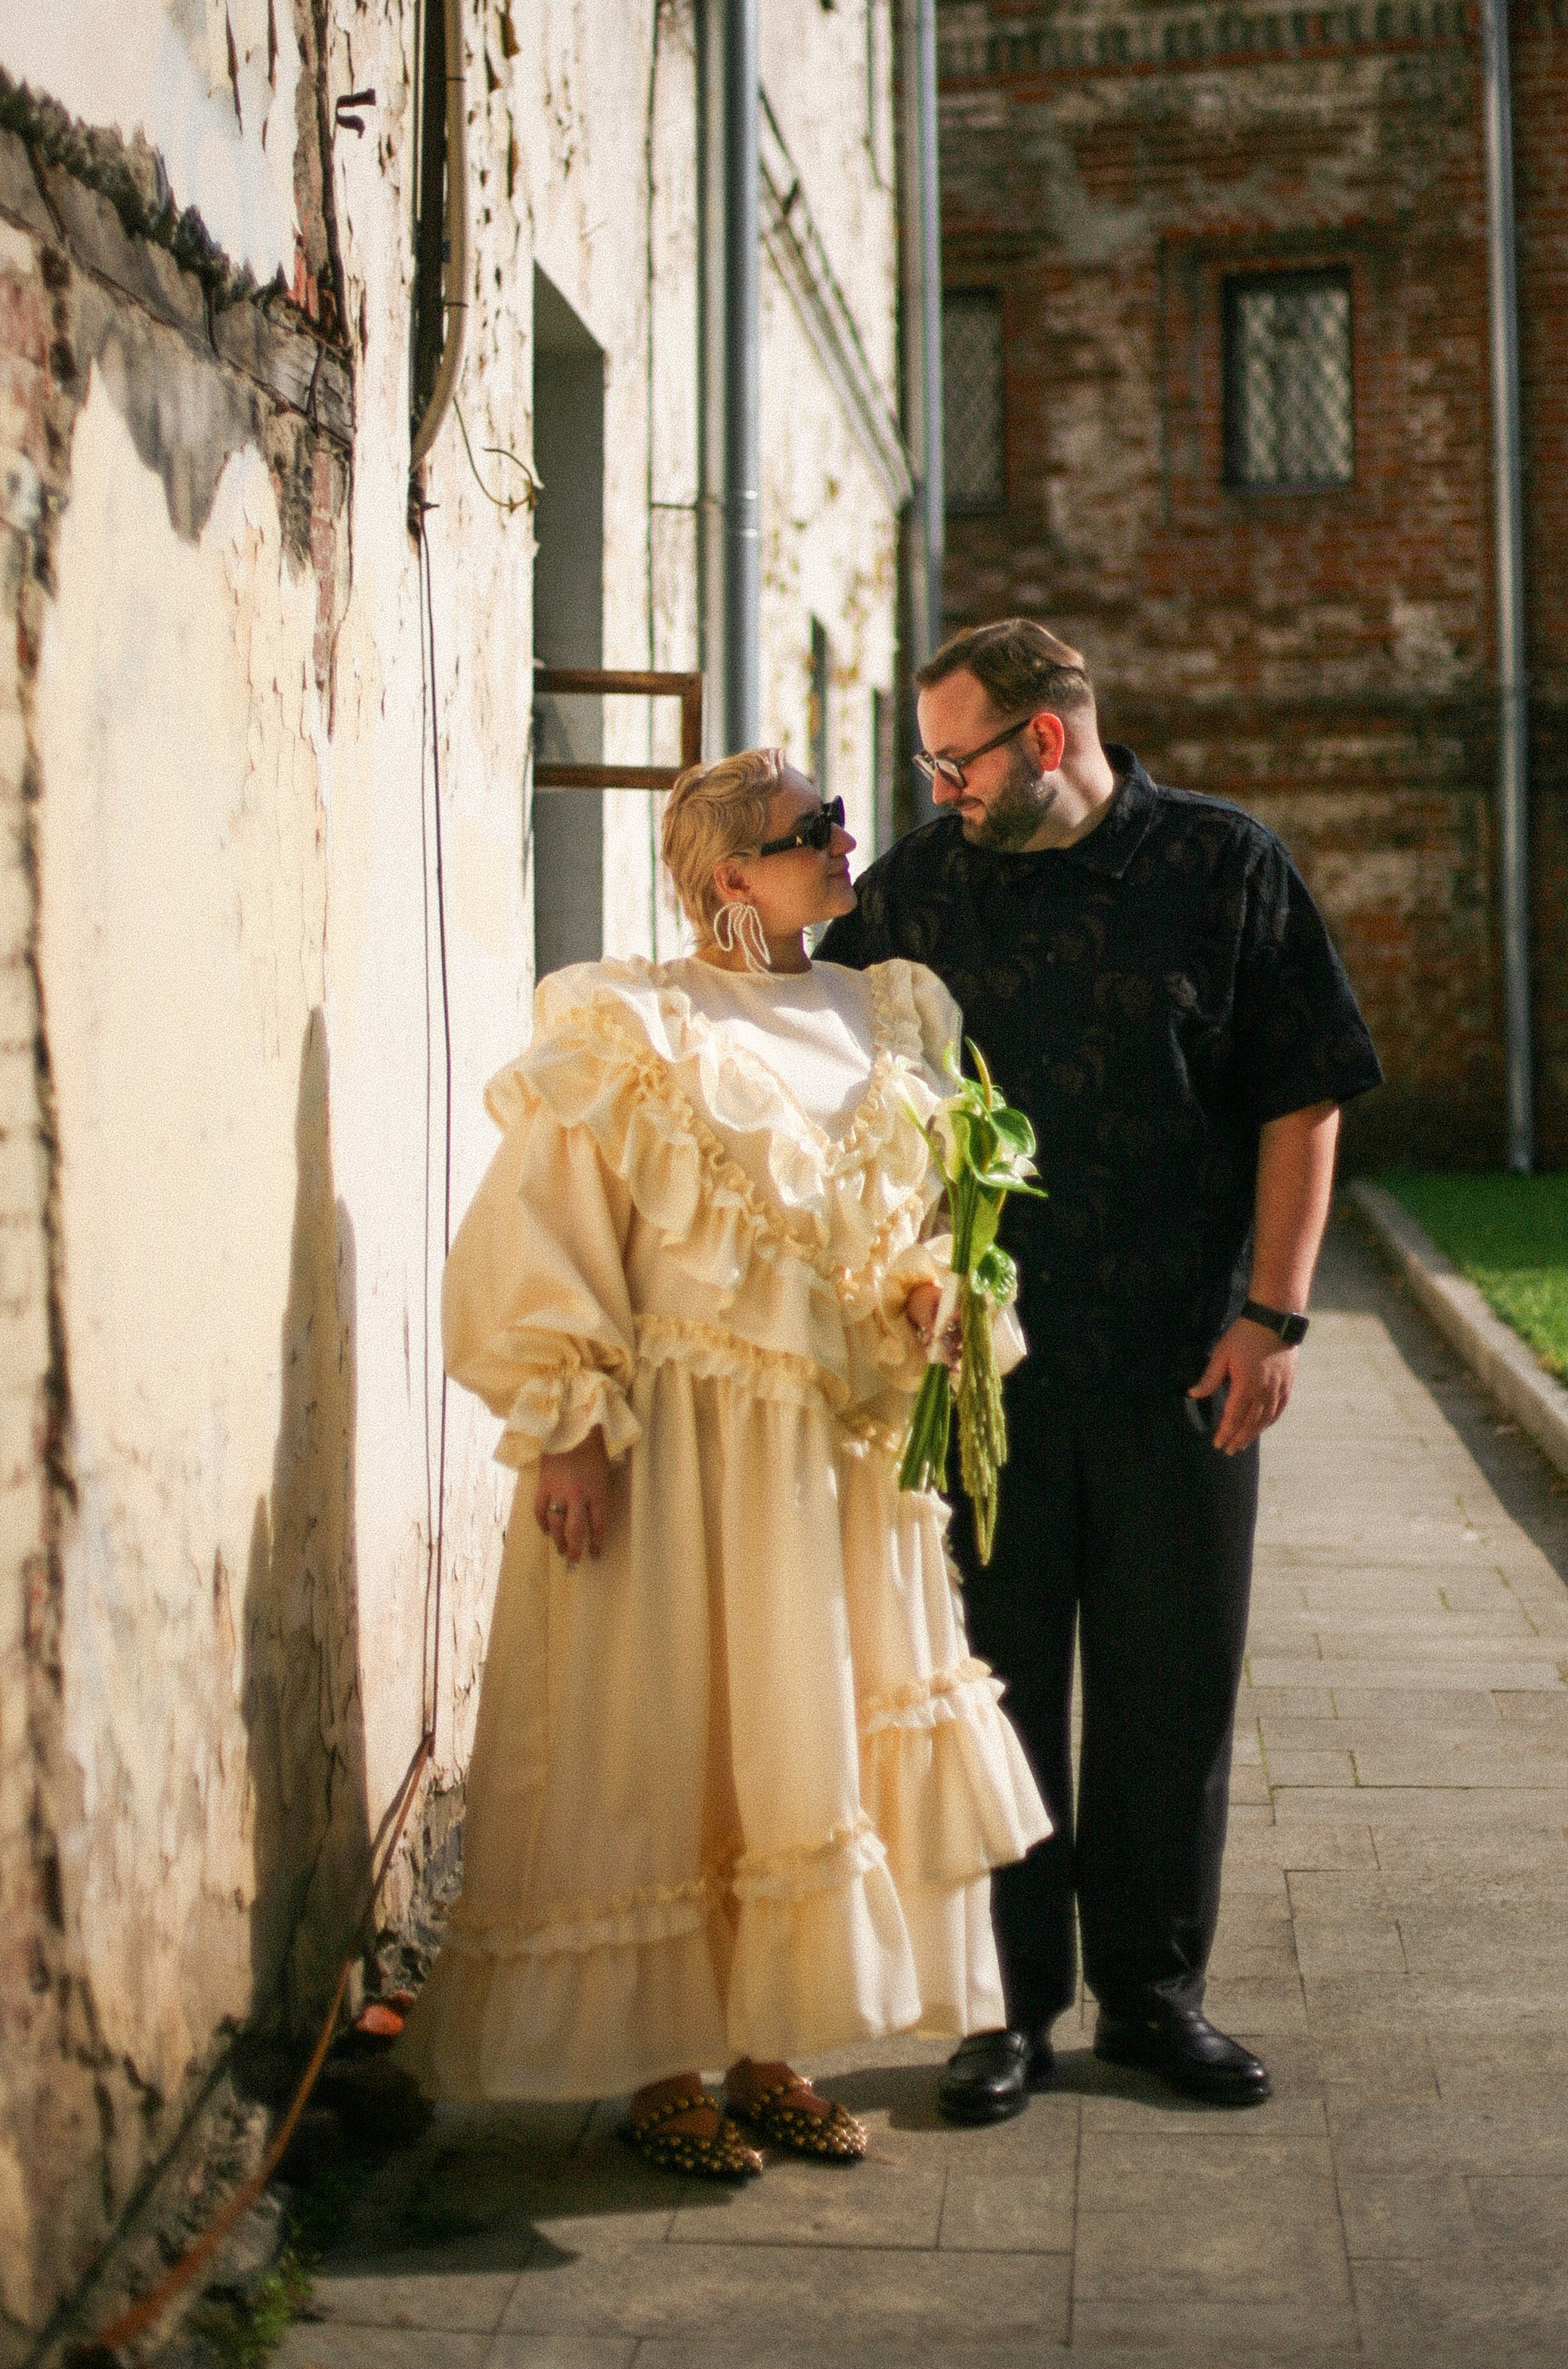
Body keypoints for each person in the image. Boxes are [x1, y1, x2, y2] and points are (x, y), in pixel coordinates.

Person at [399, 748, 1050, 2177]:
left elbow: (921, 1216)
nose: (841, 839)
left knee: (801, 1729)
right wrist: (568, 1427)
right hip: (680, 1443)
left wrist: (939, 1291)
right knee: (669, 1731)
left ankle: (775, 2048)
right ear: (725, 878)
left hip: (832, 1451)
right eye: (805, 829)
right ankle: (663, 2069)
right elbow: (550, 1224)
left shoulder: (889, 1010)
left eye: (835, 818)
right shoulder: (632, 1025)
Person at [820, 621, 1383, 2120]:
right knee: (985, 1688)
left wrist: (1270, 1316)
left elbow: (1301, 1089)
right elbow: (821, 1078)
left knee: (1167, 1684)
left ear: (1045, 743)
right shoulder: (915, 893)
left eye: (956, 760)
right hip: (976, 1380)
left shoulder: (1222, 867)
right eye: (927, 762)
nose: (935, 786)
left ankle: (1151, 1996)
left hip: (1180, 1361)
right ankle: (1001, 2011)